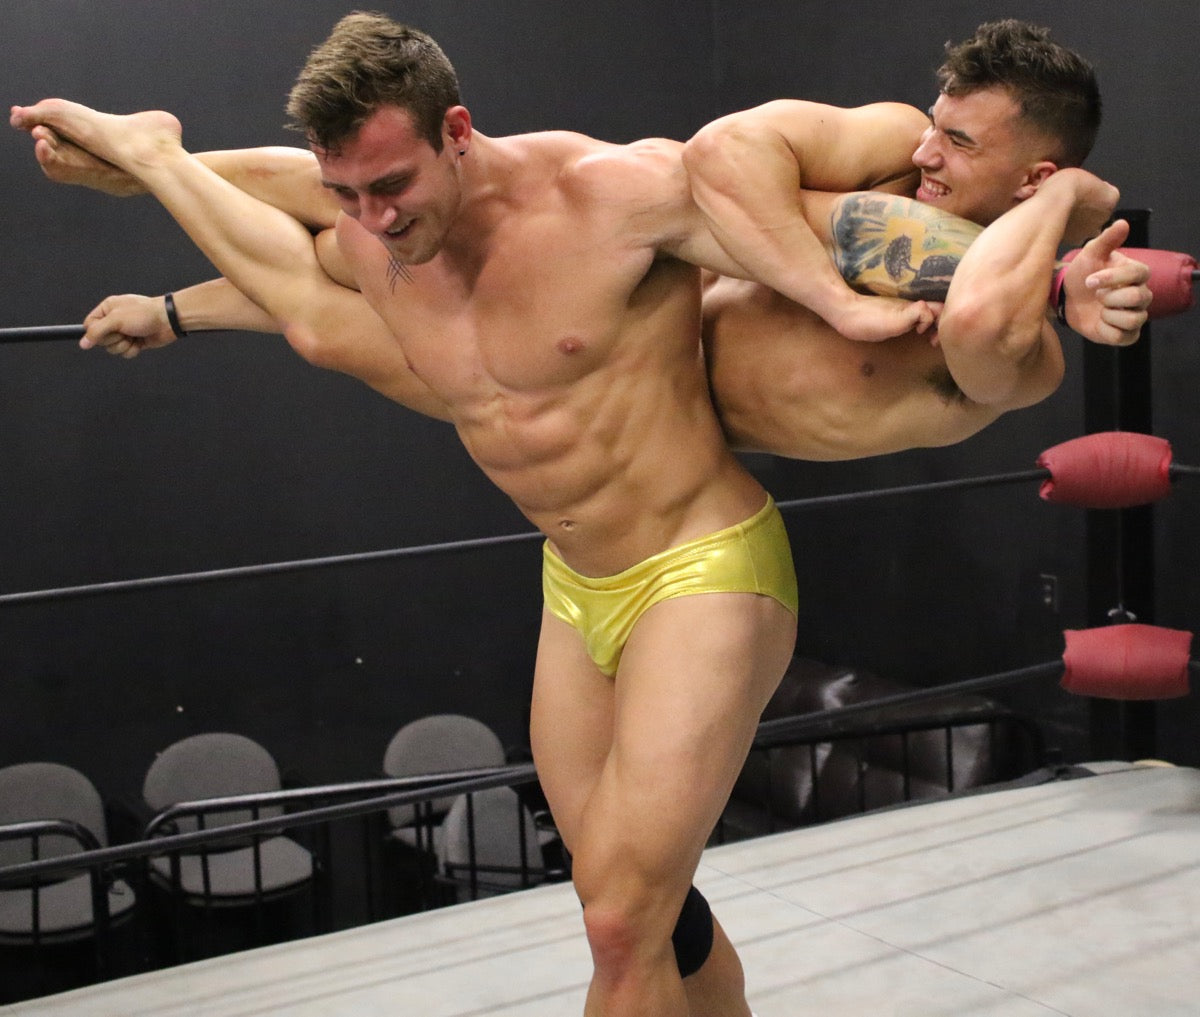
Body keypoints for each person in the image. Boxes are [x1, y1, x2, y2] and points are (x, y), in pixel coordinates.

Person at [9, 18, 1148, 1017]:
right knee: (628, 898)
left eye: (389, 185)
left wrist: (1058, 266)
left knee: (617, 926)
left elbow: (882, 249)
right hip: (575, 582)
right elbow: (300, 255)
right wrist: (153, 189)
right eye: (351, 194)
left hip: (702, 562)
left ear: (457, 133)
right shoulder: (396, 238)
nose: (368, 215)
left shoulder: (623, 200)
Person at [18, 21, 1149, 463]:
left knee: (336, 289)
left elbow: (985, 310)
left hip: (634, 422)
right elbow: (723, 154)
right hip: (630, 306)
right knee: (380, 223)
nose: (930, 150)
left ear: (1036, 176)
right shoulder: (888, 151)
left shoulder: (1012, 349)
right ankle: (147, 162)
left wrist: (1063, 228)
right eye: (938, 124)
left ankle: (156, 167)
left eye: (962, 142)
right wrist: (834, 297)